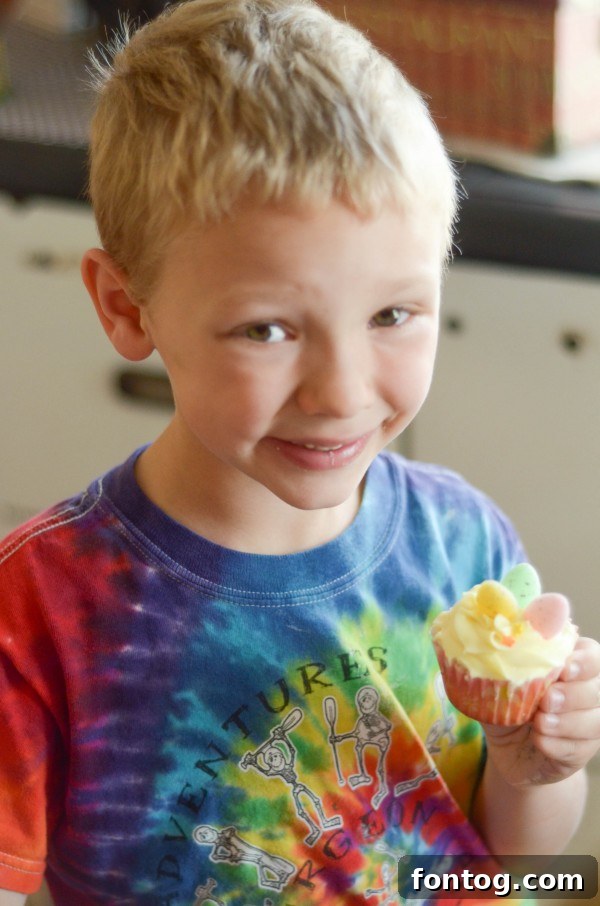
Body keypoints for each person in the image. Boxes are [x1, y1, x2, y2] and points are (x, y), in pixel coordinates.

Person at [1, 0, 599, 903]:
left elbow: (517, 862)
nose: (342, 394)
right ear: (126, 307)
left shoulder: (463, 546)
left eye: (393, 314)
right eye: (267, 329)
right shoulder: (41, 612)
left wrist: (535, 768)